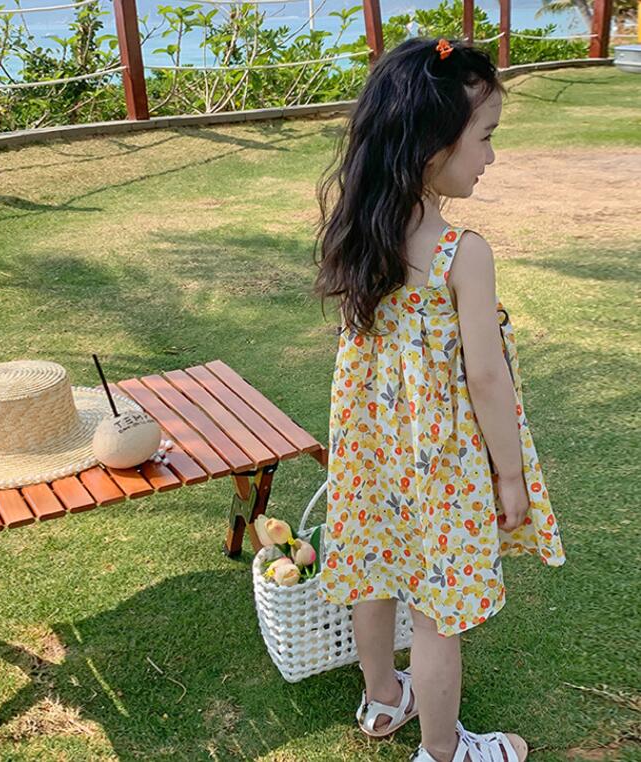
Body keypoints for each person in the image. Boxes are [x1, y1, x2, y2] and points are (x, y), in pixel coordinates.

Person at [312, 37, 566, 762]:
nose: (491, 156)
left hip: (372, 455)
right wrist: (510, 475)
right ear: (430, 146)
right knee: (435, 613)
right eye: (484, 138)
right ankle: (443, 752)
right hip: (439, 463)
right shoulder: (462, 254)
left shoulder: (360, 236)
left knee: (373, 575)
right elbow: (485, 377)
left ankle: (383, 699)